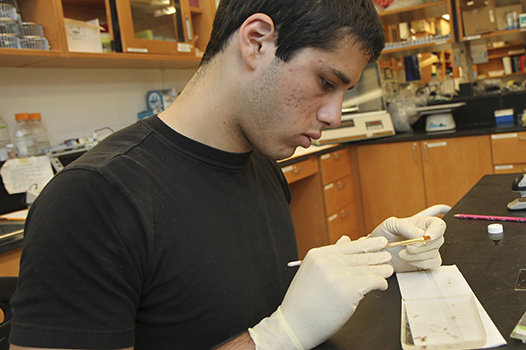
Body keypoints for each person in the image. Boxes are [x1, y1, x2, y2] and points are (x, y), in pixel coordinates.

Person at [9, 0, 446, 349]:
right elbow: (270, 328)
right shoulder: (94, 199)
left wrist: (372, 261)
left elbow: (232, 301)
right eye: (326, 83)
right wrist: (278, 337)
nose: (334, 115)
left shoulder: (263, 166)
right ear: (257, 41)